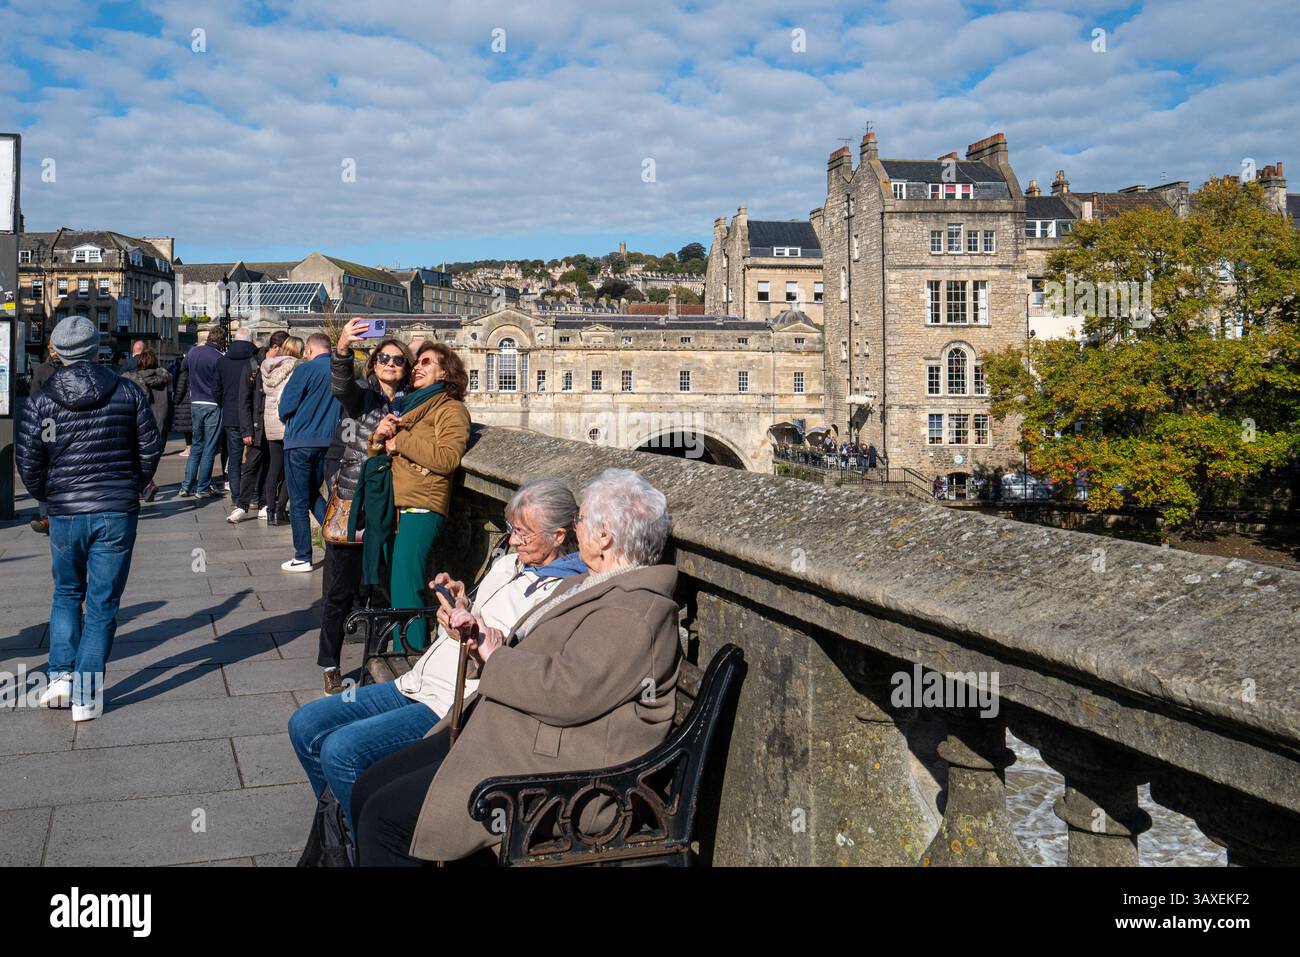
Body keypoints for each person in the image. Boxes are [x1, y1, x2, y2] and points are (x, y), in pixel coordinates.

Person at [351, 467, 680, 865]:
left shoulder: (634, 611)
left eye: (580, 520)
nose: (575, 527)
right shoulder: (591, 584)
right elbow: (545, 658)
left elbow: (568, 691)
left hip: (556, 769)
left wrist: (495, 657)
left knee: (383, 819)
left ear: (605, 536)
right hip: (509, 730)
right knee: (368, 786)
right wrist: (484, 641)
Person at [290, 478, 587, 836]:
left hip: (450, 703)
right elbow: (480, 611)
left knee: (341, 752)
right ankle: (340, 829)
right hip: (416, 680)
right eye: (511, 529)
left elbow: (522, 668)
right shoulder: (510, 564)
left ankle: (364, 841)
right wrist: (460, 604)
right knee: (305, 724)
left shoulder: (563, 594)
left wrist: (476, 639)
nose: (512, 541)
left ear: (558, 535)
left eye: (524, 534)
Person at [16, 317, 162, 722]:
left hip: (65, 513)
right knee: (101, 604)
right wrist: (134, 484)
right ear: (97, 349)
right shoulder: (127, 391)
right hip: (116, 510)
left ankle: (61, 676)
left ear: (57, 352)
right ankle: (85, 695)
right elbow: (150, 447)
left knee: (66, 593)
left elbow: (29, 461)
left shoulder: (42, 400)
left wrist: (48, 496)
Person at [316, 321, 412, 692]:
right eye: (384, 358)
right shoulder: (361, 395)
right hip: (354, 503)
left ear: (406, 369)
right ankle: (330, 664)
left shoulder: (410, 402)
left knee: (382, 593)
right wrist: (341, 349)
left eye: (398, 360)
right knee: (340, 591)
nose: (390, 363)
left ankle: (373, 661)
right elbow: (340, 386)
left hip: (393, 506)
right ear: (373, 365)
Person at [365, 342, 470, 647]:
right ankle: (405, 649)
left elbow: (448, 458)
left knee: (407, 586)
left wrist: (403, 440)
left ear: (445, 372)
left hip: (422, 506)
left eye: (427, 362)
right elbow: (385, 449)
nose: (417, 367)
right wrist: (378, 438)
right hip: (397, 505)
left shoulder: (450, 408)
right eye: (417, 363)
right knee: (398, 587)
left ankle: (409, 653)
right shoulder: (413, 404)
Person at [278, 333, 342, 571]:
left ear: (309, 350)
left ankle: (302, 556)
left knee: (298, 500)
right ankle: (335, 538)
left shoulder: (304, 370)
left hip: (300, 442)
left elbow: (285, 407)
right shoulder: (340, 371)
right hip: (328, 443)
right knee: (312, 494)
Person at [229, 330, 288, 523]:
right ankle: (242, 505)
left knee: (272, 466)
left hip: (275, 425)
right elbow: (244, 400)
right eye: (284, 349)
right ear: (275, 347)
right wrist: (246, 429)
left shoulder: (283, 366)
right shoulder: (253, 364)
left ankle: (264, 503)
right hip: (256, 425)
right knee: (251, 466)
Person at [177, 327, 226, 499]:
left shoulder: (193, 352)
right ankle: (202, 487)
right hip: (213, 404)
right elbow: (222, 384)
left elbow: (183, 368)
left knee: (196, 445)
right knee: (210, 447)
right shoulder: (219, 358)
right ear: (221, 340)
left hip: (195, 402)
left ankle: (186, 486)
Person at [261, 336, 303, 526]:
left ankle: (269, 511)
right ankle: (280, 510)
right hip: (289, 422)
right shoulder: (297, 367)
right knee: (289, 471)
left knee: (273, 469)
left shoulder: (266, 366)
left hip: (270, 423)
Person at [123, 349, 173, 502]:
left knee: (136, 456)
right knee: (152, 457)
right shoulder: (164, 379)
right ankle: (146, 484)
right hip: (160, 424)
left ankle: (145, 485)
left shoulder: (133, 380)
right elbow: (170, 402)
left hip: (141, 425)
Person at [219, 328, 259, 509]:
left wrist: (225, 403)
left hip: (231, 415)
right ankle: (253, 495)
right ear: (251, 341)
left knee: (234, 458)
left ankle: (236, 496)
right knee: (255, 458)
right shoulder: (255, 360)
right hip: (253, 415)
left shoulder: (222, 362)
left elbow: (216, 390)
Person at [28, 341, 62, 534]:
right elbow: (34, 398)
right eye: (50, 349)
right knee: (46, 469)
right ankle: (46, 517)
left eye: (56, 348)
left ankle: (56, 515)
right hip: (47, 426)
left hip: (67, 425)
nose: (54, 352)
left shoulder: (69, 367)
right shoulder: (42, 370)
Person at [171, 350, 193, 456]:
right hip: (194, 400)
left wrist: (175, 401)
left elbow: (180, 389)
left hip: (185, 402)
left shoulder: (184, 372)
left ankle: (189, 447)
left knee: (187, 428)